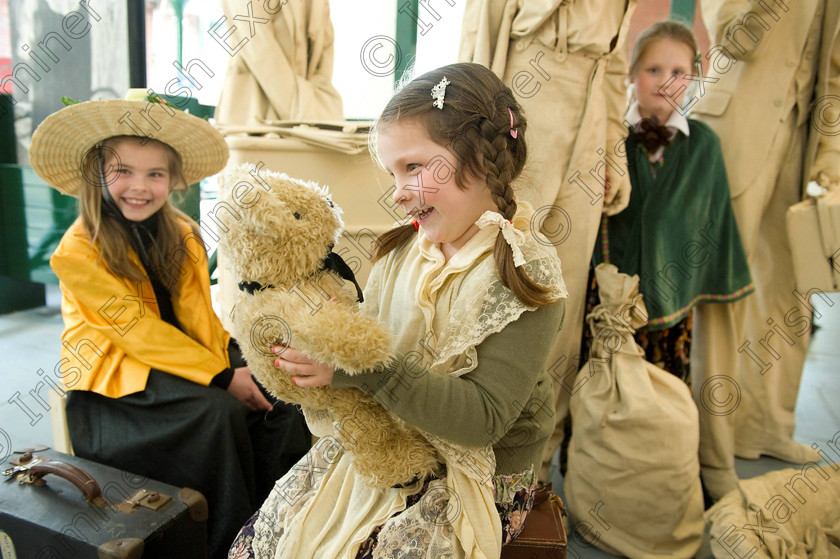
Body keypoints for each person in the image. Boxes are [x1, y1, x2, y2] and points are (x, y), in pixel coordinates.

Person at [228, 63, 567, 558]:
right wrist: (323, 337)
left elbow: (481, 420)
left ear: (477, 155)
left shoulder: (522, 273)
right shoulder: (401, 250)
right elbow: (372, 342)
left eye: (413, 167)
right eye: (393, 173)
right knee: (263, 542)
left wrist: (352, 368)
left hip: (476, 472)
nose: (399, 191)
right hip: (394, 441)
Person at [29, 91, 311, 558]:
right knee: (216, 414)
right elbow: (136, 331)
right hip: (117, 383)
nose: (139, 186)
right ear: (96, 174)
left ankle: (278, 516)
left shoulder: (182, 233)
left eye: (154, 174)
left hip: (187, 354)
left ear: (172, 180)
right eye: (122, 171)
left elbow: (198, 315)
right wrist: (222, 378)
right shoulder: (78, 248)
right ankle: (227, 540)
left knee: (284, 390)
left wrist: (238, 363)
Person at [459, 0, 638, 483]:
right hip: (521, 95)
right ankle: (475, 450)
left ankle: (536, 460)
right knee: (498, 272)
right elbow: (481, 33)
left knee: (567, 295)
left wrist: (614, 149)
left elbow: (616, 60)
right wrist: (468, 135)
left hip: (592, 114)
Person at [589, 21, 753, 501]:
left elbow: (711, 220)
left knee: (663, 406)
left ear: (695, 77)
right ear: (632, 76)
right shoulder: (611, 141)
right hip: (612, 309)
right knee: (606, 396)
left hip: (672, 315)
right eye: (653, 68)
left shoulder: (704, 146)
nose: (665, 80)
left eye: (678, 71)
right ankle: (602, 488)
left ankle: (659, 487)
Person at [693, 0, 840, 479]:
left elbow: (835, 71)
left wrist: (832, 155)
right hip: (737, 127)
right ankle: (705, 440)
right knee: (721, 287)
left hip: (806, 139)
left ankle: (765, 426)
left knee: (791, 289)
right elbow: (734, 37)